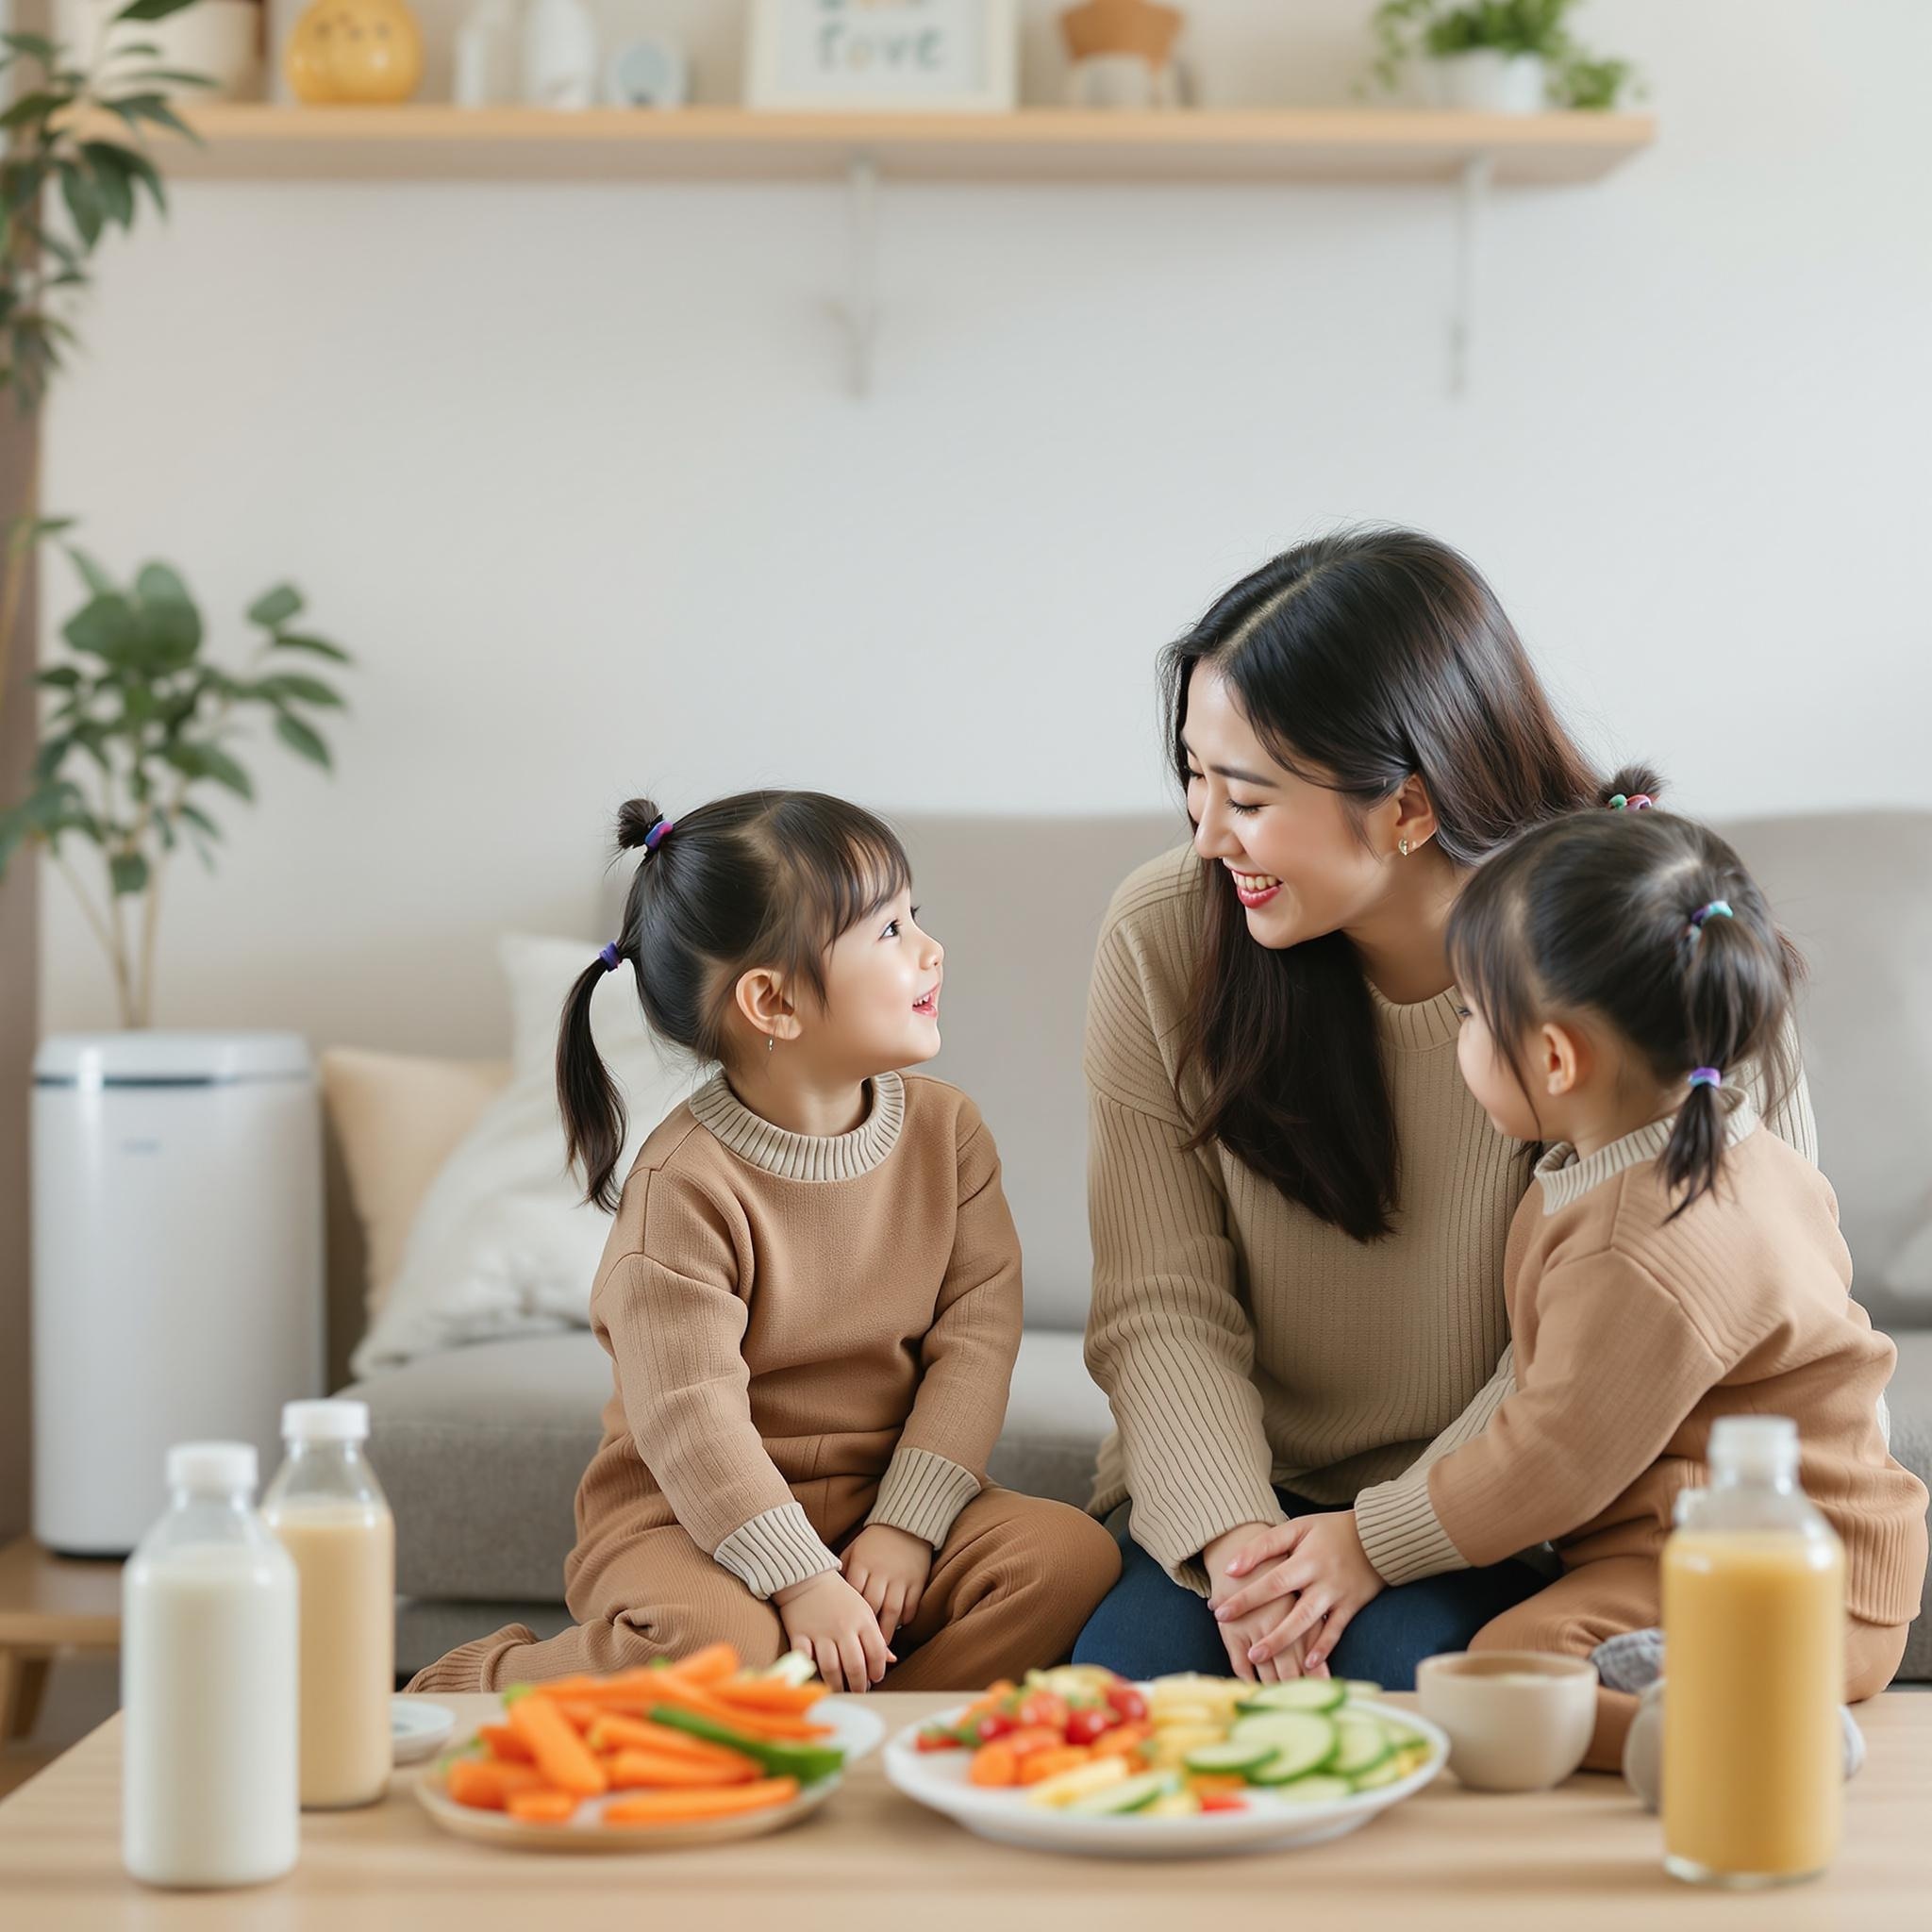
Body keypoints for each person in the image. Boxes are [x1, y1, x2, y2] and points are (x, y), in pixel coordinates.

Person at [1074, 528, 1817, 1687]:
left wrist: (1377, 1541)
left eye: (1248, 795)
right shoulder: (1163, 933)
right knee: (1129, 1688)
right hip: (1240, 1502)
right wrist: (1238, 1552)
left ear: (1407, 808)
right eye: (1192, 774)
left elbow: (1611, 1348)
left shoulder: (1641, 949)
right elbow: (1157, 1300)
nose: (1206, 832)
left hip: (1501, 1505)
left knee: (1403, 1696)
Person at [1210, 800, 1927, 1766]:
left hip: (1788, 1578)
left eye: (1469, 1016)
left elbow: (1547, 1454)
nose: (1458, 1035)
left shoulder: (1643, 1241)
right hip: (1752, 1546)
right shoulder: (1710, 1145)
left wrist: (1371, 1539)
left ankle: (1752, 1738)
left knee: (1511, 1662)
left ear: (1552, 1057)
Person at [409, 790, 1119, 1695]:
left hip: (880, 1506)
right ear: (773, 1002)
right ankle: (464, 1690)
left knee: (1068, 1559)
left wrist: (904, 1527)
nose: (931, 949)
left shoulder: (951, 1136)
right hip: (689, 1522)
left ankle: (861, 1730)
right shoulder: (685, 1188)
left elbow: (976, 1344)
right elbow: (692, 1417)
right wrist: (801, 1578)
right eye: (889, 931)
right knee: (717, 1644)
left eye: (916, 917)